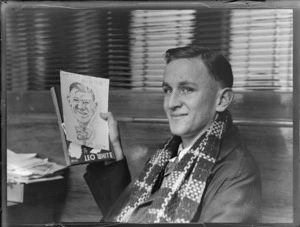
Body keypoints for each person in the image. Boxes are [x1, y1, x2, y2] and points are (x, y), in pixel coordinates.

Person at [84, 45, 262, 223]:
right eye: (168, 90)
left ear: (222, 100)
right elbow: (128, 215)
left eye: (187, 89)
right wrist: (114, 150)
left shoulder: (237, 175)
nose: (171, 103)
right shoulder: (167, 154)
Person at [66, 82, 109, 150]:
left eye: (86, 102)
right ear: (69, 101)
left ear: (95, 106)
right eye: (76, 100)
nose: (80, 107)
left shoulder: (103, 132)